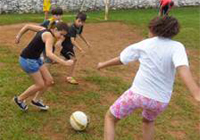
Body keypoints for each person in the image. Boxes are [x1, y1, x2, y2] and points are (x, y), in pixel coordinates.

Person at [97, 16, 200, 140]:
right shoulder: (177, 47)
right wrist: (197, 94)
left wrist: (103, 64)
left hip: (137, 95)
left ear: (153, 29)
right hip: (160, 101)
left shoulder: (144, 44)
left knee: (110, 118)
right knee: (148, 121)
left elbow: (122, 59)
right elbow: (183, 68)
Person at [13, 22, 73, 111]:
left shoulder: (43, 29)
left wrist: (18, 36)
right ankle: (19, 99)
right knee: (40, 84)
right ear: (55, 29)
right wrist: (64, 63)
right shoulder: (49, 36)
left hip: (35, 59)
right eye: (61, 34)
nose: (61, 37)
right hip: (27, 60)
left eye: (63, 35)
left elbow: (28, 26)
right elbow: (49, 54)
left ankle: (35, 100)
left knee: (49, 80)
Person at [58, 12, 91, 84]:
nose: (80, 23)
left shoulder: (80, 26)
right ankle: (69, 77)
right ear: (75, 19)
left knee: (64, 59)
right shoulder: (72, 28)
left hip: (69, 46)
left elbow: (80, 34)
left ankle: (47, 62)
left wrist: (86, 42)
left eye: (82, 22)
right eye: (79, 21)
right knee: (73, 59)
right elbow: (72, 41)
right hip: (66, 46)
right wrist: (81, 49)